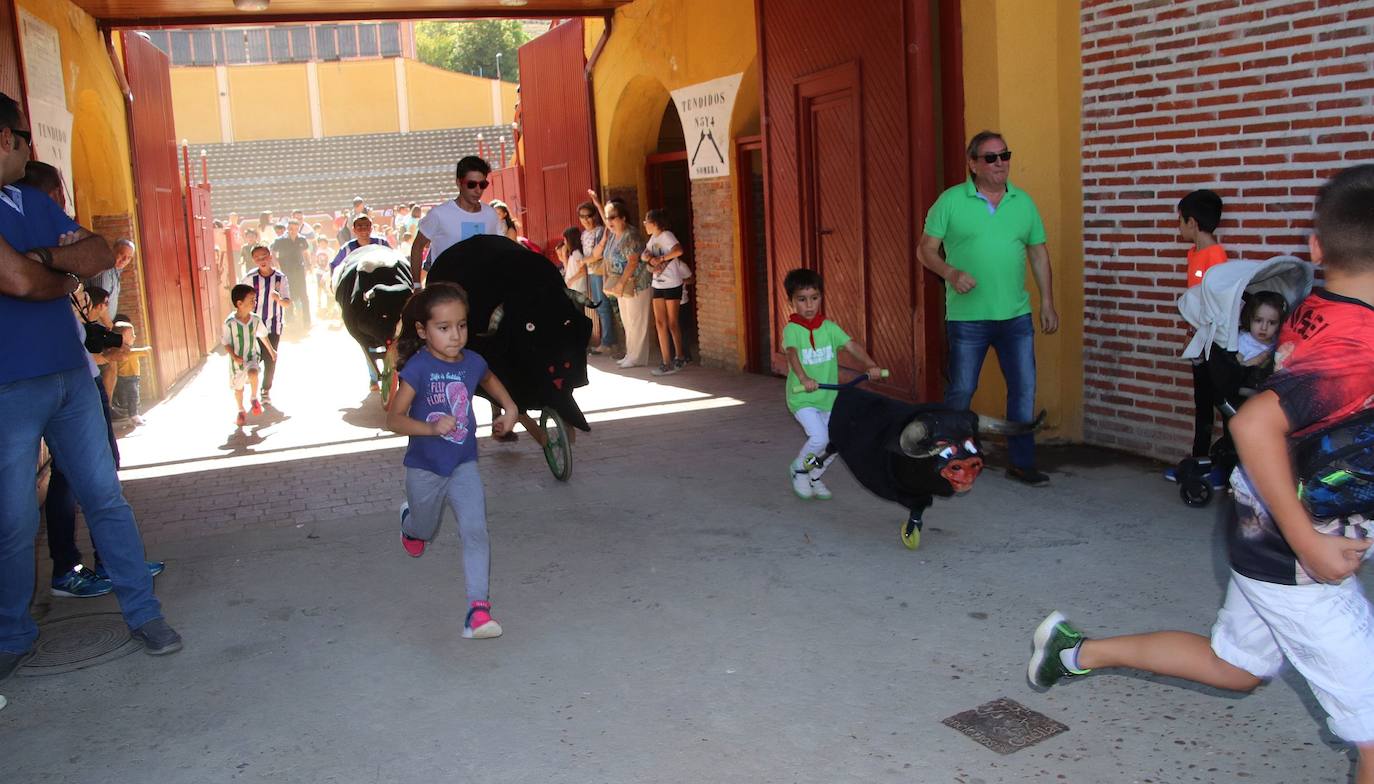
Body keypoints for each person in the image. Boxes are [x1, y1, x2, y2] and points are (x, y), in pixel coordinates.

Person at [1029, 165, 1374, 784]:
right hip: (1296, 550)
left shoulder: (1324, 309)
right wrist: (1308, 545)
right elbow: (1252, 427)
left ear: (1317, 248)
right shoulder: (1355, 346)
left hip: (1265, 528)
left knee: (1235, 667)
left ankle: (1074, 651)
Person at [0, 92, 182, 684]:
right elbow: (21, 282)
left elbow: (99, 253)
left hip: (70, 381)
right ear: (8, 140)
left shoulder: (28, 199)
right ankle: (12, 635)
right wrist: (57, 272)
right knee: (13, 521)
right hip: (9, 387)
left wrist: (49, 258)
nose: (29, 153)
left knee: (105, 498)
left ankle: (142, 613)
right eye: (25, 141)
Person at [917, 130, 1059, 487]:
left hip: (1016, 316)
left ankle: (1022, 463)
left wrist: (1047, 302)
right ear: (973, 164)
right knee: (962, 391)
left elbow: (1038, 254)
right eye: (991, 158)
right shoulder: (950, 201)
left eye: (1005, 155)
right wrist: (950, 272)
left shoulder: (1023, 203)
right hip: (968, 319)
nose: (1000, 163)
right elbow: (925, 250)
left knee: (1023, 389)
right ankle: (949, 459)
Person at [385, 282, 517, 640]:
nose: (455, 336)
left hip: (463, 463)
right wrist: (428, 428)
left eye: (461, 325)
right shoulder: (418, 367)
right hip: (425, 468)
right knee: (424, 530)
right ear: (422, 331)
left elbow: (489, 379)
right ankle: (409, 521)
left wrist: (511, 408)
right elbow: (393, 419)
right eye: (444, 328)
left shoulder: (472, 363)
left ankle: (478, 611)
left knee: (475, 530)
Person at [781, 268, 882, 501]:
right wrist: (804, 378)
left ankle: (815, 474)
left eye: (814, 298)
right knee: (819, 438)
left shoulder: (829, 328)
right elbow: (793, 354)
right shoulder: (792, 330)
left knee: (835, 440)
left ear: (821, 298)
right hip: (803, 398)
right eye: (802, 299)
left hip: (828, 398)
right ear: (792, 301)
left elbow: (851, 346)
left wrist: (871, 365)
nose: (809, 305)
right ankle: (799, 469)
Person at [1178, 189, 1229, 474]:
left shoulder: (1216, 256)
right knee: (1202, 402)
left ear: (1193, 223)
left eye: (1180, 221)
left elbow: (1213, 302)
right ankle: (1199, 457)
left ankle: (1214, 460)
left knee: (1215, 400)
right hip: (1198, 339)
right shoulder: (1193, 253)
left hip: (1213, 342)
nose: (1180, 227)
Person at [409, 156, 502, 285]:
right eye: (471, 184)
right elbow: (418, 246)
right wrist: (417, 285)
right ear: (459, 183)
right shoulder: (439, 214)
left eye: (483, 184)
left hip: (482, 290)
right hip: (445, 292)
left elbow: (498, 251)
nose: (478, 190)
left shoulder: (491, 215)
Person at [596, 199, 652, 368]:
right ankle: (631, 354)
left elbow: (633, 262)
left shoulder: (631, 235)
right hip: (622, 284)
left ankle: (637, 358)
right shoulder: (613, 236)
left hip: (636, 283)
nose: (610, 221)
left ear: (623, 218)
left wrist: (620, 283)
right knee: (628, 320)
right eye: (607, 218)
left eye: (613, 217)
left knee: (637, 320)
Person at [642, 209, 690, 376]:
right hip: (658, 284)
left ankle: (679, 356)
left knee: (672, 322)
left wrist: (661, 259)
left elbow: (678, 250)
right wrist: (649, 260)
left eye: (646, 222)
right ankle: (666, 360)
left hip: (672, 283)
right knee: (660, 323)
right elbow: (645, 255)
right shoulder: (652, 239)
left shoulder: (666, 235)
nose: (645, 225)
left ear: (654, 223)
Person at [240, 244, 290, 402]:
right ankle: (252, 375)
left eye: (264, 257)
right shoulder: (250, 278)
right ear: (253, 260)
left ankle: (265, 389)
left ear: (270, 256)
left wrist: (279, 299)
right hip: (254, 324)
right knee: (254, 355)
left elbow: (287, 302)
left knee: (271, 358)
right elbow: (240, 298)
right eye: (257, 258)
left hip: (273, 324)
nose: (262, 260)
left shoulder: (280, 278)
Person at [223, 283, 275, 427]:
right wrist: (234, 356)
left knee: (253, 373)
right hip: (237, 362)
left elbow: (263, 336)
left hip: (252, 356)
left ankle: (253, 398)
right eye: (251, 300)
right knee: (238, 389)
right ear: (239, 303)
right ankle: (240, 410)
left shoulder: (256, 320)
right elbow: (225, 342)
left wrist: (271, 351)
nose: (254, 302)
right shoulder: (230, 323)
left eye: (255, 299)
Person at [577, 197, 614, 354]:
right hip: (591, 273)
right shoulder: (584, 234)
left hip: (600, 272)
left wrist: (584, 261)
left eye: (589, 215)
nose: (586, 220)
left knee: (604, 307)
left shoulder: (600, 231)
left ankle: (608, 342)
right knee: (599, 307)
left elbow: (598, 255)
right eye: (582, 216)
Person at [110, 313, 152, 425]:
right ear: (122, 337)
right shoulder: (122, 349)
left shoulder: (128, 348)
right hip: (126, 378)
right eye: (131, 334)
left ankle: (133, 414)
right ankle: (133, 415)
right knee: (131, 397)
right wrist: (144, 350)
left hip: (133, 376)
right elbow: (130, 354)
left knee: (133, 396)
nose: (134, 336)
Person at [272, 218, 312, 332]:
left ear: (298, 228)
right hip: (286, 271)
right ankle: (290, 319)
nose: (292, 231)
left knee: (303, 295)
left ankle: (306, 319)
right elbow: (273, 253)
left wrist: (309, 266)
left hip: (299, 270)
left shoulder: (302, 239)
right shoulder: (280, 240)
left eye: (294, 229)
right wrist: (277, 266)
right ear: (287, 229)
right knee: (287, 295)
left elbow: (306, 253)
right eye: (290, 229)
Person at [558, 225, 587, 298]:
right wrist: (564, 256)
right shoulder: (573, 254)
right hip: (575, 288)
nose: (564, 243)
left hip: (578, 289)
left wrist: (571, 280)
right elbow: (568, 269)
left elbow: (583, 271)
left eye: (565, 240)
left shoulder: (576, 253)